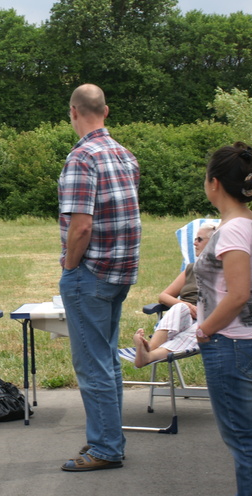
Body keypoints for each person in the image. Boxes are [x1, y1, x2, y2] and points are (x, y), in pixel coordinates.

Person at [57, 84, 141, 473]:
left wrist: (70, 265)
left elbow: (82, 226)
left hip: (89, 274)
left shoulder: (82, 158)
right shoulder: (125, 156)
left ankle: (105, 447)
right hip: (120, 272)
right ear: (105, 111)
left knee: (93, 365)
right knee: (107, 359)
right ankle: (110, 440)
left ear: (74, 112)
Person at [194, 142, 252, 496]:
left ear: (215, 183)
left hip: (230, 343)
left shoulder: (234, 229)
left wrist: (206, 328)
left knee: (242, 437)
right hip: (244, 340)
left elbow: (239, 294)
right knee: (242, 434)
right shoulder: (251, 224)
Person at [132, 223, 216, 367]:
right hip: (180, 318)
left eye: (199, 239)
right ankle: (149, 348)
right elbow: (163, 296)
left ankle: (148, 355)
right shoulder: (191, 269)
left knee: (199, 331)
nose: (194, 243)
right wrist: (185, 305)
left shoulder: (225, 271)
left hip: (207, 320)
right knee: (179, 308)